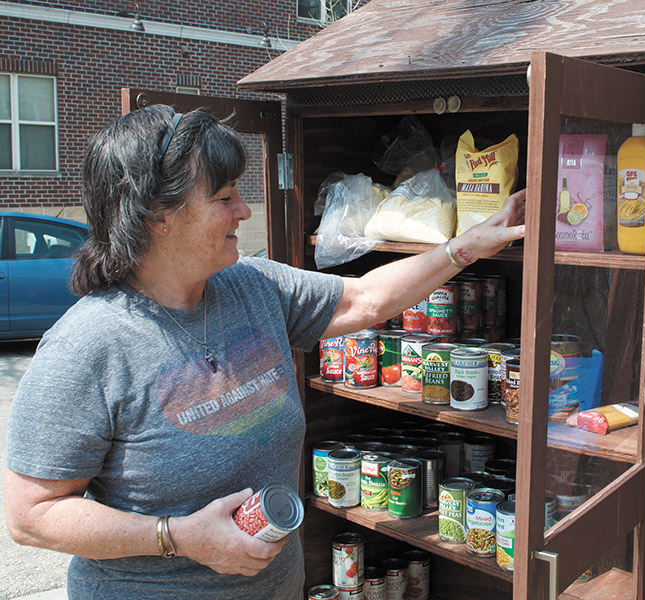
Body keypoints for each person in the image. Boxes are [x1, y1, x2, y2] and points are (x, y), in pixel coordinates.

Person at [3, 105, 526, 599]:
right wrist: (177, 536)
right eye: (224, 196)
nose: (244, 209)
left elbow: (367, 298)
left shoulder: (252, 287)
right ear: (156, 216)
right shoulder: (87, 347)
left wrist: (467, 246)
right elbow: (32, 515)